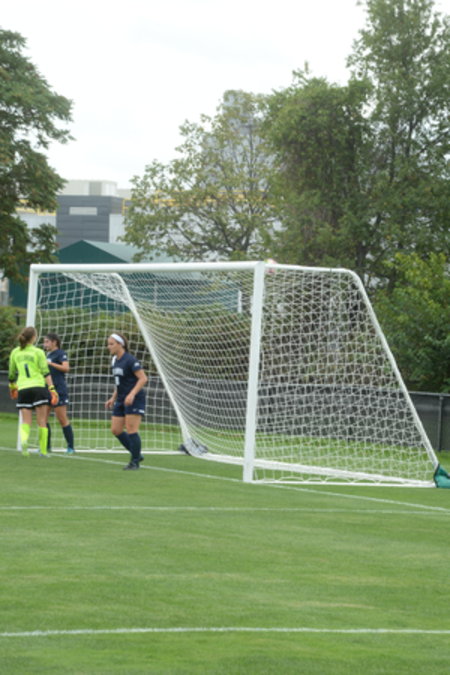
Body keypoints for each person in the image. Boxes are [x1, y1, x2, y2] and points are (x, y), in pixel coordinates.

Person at [8, 326, 59, 457]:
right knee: (42, 421)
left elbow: (11, 374)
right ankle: (43, 451)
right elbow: (46, 372)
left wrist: (13, 388)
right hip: (38, 388)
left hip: (23, 388)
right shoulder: (38, 352)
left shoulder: (15, 352)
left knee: (26, 421)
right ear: (34, 338)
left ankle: (24, 446)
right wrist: (52, 390)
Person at [105, 332, 148, 470]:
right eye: (108, 344)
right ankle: (137, 454)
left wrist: (132, 394)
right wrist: (113, 397)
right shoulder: (114, 360)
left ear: (120, 344)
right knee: (116, 430)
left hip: (134, 398)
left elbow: (143, 379)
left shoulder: (130, 360)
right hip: (121, 398)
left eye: (111, 344)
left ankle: (134, 462)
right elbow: (119, 382)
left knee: (131, 430)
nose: (108, 346)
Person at [43, 332, 75, 455]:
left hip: (59, 389)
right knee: (43, 418)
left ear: (54, 342)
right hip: (47, 389)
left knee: (62, 418)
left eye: (47, 341)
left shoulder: (61, 353)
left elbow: (66, 368)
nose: (45, 344)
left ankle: (71, 447)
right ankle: (46, 446)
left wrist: (51, 363)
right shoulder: (47, 355)